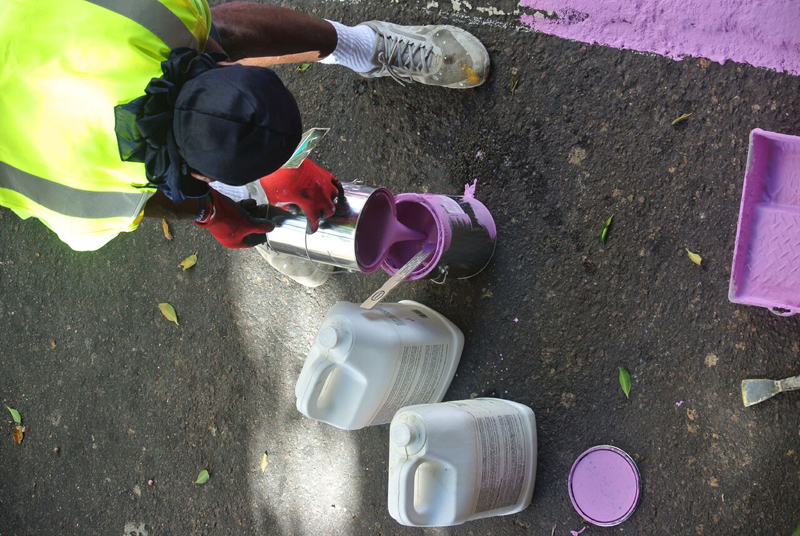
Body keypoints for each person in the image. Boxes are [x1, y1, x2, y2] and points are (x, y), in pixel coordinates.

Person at [0, 0, 490, 251]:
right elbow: (140, 202)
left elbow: (219, 39)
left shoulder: (152, 13)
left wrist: (226, 196)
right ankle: (258, 202)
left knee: (218, 29)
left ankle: (364, 45)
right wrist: (211, 213)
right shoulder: (80, 201)